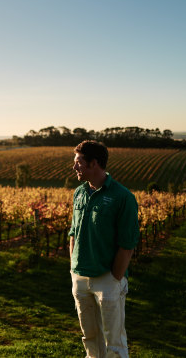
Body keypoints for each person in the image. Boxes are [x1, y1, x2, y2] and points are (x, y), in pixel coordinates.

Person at [69, 140, 139, 358]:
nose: (74, 167)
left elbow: (127, 243)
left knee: (114, 341)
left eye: (79, 162)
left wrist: (115, 277)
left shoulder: (122, 197)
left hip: (107, 278)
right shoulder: (79, 193)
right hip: (80, 277)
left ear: (94, 163)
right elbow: (73, 231)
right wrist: (73, 267)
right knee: (89, 337)